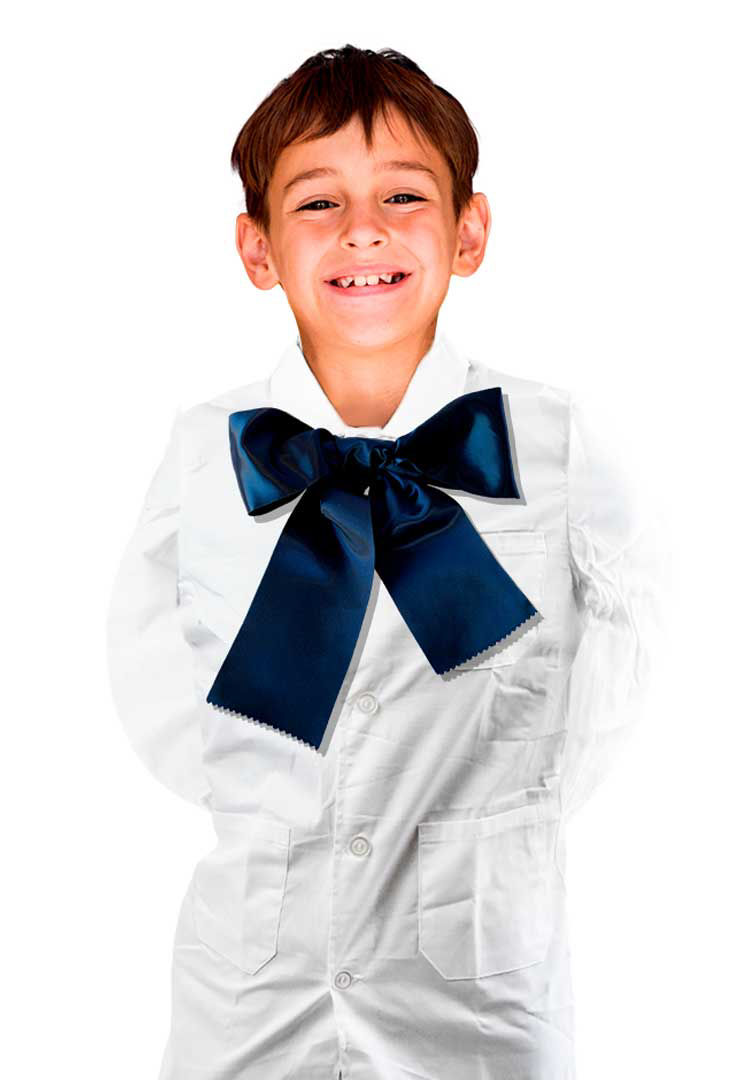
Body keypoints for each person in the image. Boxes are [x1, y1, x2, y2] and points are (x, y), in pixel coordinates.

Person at [106, 43, 664, 1080]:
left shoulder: (554, 444)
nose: (362, 228)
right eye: (317, 202)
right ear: (257, 248)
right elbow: (149, 674)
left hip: (479, 997)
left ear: (469, 231)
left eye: (403, 195)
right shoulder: (207, 451)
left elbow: (624, 665)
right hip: (250, 994)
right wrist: (270, 795)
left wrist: (504, 817)